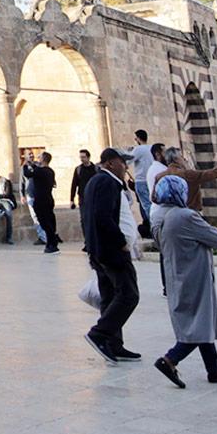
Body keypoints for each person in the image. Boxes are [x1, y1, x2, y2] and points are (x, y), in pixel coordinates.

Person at [147, 175, 217, 387]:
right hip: (194, 277)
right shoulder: (185, 216)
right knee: (199, 324)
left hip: (175, 275)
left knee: (199, 321)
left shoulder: (158, 217)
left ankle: (214, 369)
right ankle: (170, 359)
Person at [80, 149, 141, 364]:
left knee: (110, 296)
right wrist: (120, 241)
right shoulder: (105, 182)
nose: (126, 167)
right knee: (128, 295)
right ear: (111, 163)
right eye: (123, 162)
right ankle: (99, 334)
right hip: (112, 251)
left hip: (100, 249)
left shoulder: (99, 181)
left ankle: (113, 345)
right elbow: (102, 216)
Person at [156, 146, 217, 212]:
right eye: (182, 157)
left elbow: (154, 198)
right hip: (189, 211)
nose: (185, 159)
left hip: (168, 215)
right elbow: (210, 174)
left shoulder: (159, 176)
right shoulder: (187, 174)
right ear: (176, 159)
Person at [30, 153, 63, 253]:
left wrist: (27, 164)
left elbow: (28, 173)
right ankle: (51, 243)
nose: (38, 158)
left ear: (43, 159)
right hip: (48, 199)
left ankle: (52, 244)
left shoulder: (40, 171)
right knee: (49, 222)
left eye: (39, 157)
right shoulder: (50, 171)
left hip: (41, 200)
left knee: (45, 223)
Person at [126, 130, 156, 220]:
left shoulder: (138, 149)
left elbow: (127, 161)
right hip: (153, 179)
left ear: (138, 139)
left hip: (141, 181)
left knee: (146, 206)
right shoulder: (152, 148)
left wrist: (128, 152)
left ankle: (152, 226)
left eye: (136, 138)